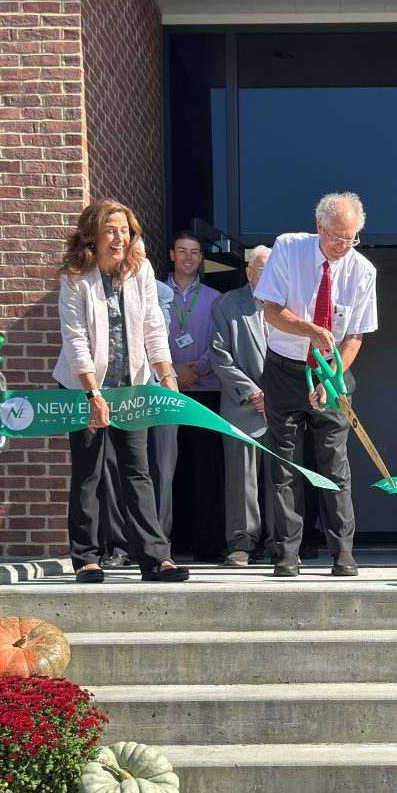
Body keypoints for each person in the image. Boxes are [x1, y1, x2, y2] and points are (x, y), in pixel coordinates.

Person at [52, 198, 189, 583]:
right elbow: (75, 338)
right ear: (92, 235)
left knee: (138, 472)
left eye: (125, 231)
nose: (119, 238)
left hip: (131, 388)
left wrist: (166, 377)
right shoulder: (75, 276)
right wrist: (92, 394)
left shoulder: (140, 270)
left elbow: (152, 328)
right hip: (84, 386)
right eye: (111, 230)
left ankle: (156, 558)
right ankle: (87, 559)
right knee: (89, 472)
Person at [254, 191, 377, 578]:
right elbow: (271, 311)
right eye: (337, 237)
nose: (344, 246)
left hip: (332, 372)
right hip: (285, 369)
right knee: (285, 465)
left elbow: (354, 336)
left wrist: (332, 379)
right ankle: (287, 552)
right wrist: (308, 329)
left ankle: (342, 551)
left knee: (334, 463)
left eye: (351, 238)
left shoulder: (363, 270)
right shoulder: (288, 249)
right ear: (319, 226)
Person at [100, 238, 176, 568]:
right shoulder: (97, 284)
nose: (135, 259)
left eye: (141, 255)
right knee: (112, 467)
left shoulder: (160, 291)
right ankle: (119, 545)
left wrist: (167, 380)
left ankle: (156, 544)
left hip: (151, 388)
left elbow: (157, 334)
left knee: (157, 468)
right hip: (112, 390)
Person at [165, 231, 225, 561]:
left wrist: (196, 369)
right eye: (183, 251)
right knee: (169, 468)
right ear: (172, 255)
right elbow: (148, 339)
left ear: (201, 258)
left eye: (195, 252)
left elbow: (218, 345)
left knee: (206, 469)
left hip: (207, 391)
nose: (188, 257)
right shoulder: (156, 294)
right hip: (165, 392)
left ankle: (208, 543)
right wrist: (173, 372)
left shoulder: (215, 298)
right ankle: (170, 541)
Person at [211, 247, 272, 567]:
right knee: (242, 479)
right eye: (262, 269)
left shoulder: (289, 304)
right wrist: (252, 392)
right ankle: (242, 543)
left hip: (280, 407)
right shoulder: (226, 304)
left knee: (282, 478)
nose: (268, 275)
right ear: (249, 272)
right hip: (242, 407)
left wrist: (274, 395)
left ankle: (281, 541)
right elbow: (220, 357)